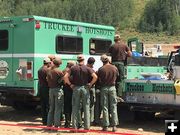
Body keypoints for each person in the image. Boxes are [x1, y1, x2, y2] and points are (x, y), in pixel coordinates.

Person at [64, 54, 97, 131]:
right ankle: (86, 127)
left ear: (77, 60)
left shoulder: (73, 68)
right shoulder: (87, 68)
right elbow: (95, 77)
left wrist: (70, 84)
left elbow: (65, 77)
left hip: (76, 88)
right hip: (85, 88)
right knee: (86, 107)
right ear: (83, 60)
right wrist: (90, 84)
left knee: (75, 107)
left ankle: (74, 127)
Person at [97, 54, 119, 132]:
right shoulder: (114, 68)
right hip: (112, 88)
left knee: (105, 107)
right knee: (113, 106)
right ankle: (114, 126)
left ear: (102, 61)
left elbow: (98, 79)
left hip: (104, 88)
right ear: (108, 60)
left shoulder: (101, 69)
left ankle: (105, 126)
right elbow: (117, 77)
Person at [109, 34, 132, 98]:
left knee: (113, 78)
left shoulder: (112, 46)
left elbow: (109, 54)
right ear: (120, 39)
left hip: (113, 64)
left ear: (114, 40)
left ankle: (113, 93)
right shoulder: (124, 45)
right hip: (121, 63)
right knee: (120, 79)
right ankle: (119, 95)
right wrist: (125, 55)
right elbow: (130, 54)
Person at [47, 56, 64, 128]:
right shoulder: (59, 71)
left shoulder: (48, 70)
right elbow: (62, 80)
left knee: (51, 108)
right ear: (59, 64)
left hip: (51, 90)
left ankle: (49, 124)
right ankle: (56, 125)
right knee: (58, 108)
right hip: (57, 90)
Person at [38, 57, 51, 125]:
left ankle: (44, 121)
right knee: (48, 105)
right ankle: (48, 121)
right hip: (46, 88)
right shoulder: (47, 70)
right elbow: (48, 80)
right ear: (48, 63)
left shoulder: (40, 69)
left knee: (43, 105)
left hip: (41, 87)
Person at [62, 61, 76, 128]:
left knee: (67, 107)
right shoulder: (71, 72)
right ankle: (74, 123)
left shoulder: (63, 71)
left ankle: (67, 123)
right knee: (74, 107)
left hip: (65, 91)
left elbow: (62, 81)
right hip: (72, 91)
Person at [86, 57, 96, 124]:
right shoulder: (92, 70)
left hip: (84, 88)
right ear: (92, 63)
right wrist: (91, 84)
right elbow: (95, 78)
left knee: (85, 104)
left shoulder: (84, 68)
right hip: (91, 88)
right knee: (91, 105)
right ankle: (90, 120)